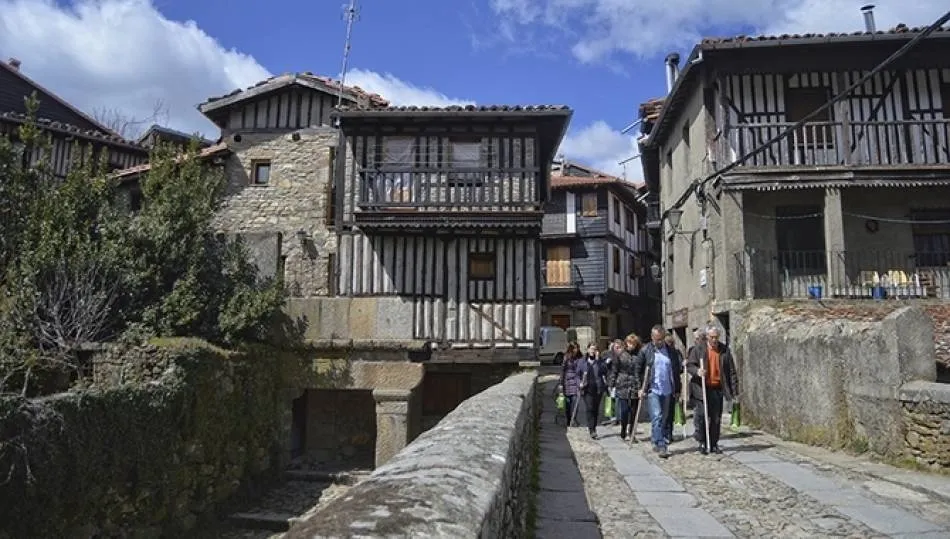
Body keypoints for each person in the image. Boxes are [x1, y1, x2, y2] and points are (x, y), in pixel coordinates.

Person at [686, 325, 739, 455]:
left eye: (716, 337)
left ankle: (714, 443)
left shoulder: (724, 350)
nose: (714, 340)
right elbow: (690, 365)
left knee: (716, 418)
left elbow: (731, 371)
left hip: (717, 388)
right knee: (703, 416)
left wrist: (734, 389)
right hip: (702, 388)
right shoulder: (698, 349)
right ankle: (703, 442)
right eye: (711, 337)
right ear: (707, 337)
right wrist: (697, 371)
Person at [636, 325, 683, 458]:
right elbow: (637, 370)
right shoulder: (646, 351)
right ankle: (662, 444)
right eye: (657, 339)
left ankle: (656, 440)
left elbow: (675, 372)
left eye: (661, 339)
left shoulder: (671, 352)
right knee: (657, 417)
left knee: (665, 418)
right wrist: (640, 387)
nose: (659, 342)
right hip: (653, 389)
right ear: (652, 338)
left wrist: (678, 389)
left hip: (667, 389)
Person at [607, 337, 639, 440]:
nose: (631, 346)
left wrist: (641, 385)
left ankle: (632, 432)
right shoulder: (620, 356)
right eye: (629, 343)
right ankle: (623, 429)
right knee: (624, 410)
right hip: (622, 384)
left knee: (634, 411)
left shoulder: (638, 356)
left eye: (633, 344)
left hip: (634, 384)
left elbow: (641, 371)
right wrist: (611, 383)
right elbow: (614, 370)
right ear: (626, 344)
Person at [576, 342, 608, 439]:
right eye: (591, 349)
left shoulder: (600, 361)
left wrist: (598, 361)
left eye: (595, 349)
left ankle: (594, 427)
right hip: (587, 388)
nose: (593, 351)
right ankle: (592, 430)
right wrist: (579, 383)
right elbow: (577, 374)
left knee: (595, 409)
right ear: (588, 349)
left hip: (598, 388)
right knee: (589, 408)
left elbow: (604, 371)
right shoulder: (582, 361)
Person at [559, 342, 582, 426]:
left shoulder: (580, 357)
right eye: (575, 348)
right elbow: (562, 370)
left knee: (575, 402)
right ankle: (569, 419)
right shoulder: (566, 357)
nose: (576, 350)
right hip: (567, 382)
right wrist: (561, 383)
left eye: (577, 348)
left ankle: (574, 419)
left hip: (576, 382)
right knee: (568, 403)